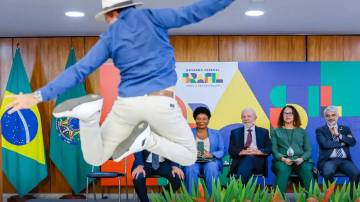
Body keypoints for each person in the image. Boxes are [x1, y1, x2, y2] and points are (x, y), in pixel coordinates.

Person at [5, 0, 236, 166]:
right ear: (131, 5)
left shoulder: (110, 37)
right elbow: (196, 11)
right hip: (160, 103)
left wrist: (36, 96)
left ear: (110, 14)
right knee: (188, 155)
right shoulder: (153, 18)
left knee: (94, 158)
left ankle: (88, 116)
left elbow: (79, 70)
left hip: (126, 105)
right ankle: (149, 140)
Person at [271, 105, 314, 195]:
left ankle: (312, 198)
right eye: (285, 113)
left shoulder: (302, 131)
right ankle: (278, 199)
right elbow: (274, 151)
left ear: (295, 116)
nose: (288, 115)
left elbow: (308, 150)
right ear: (282, 116)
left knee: (306, 169)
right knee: (283, 169)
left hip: (300, 159)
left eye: (290, 113)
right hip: (283, 160)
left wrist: (302, 159)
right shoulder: (276, 131)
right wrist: (283, 159)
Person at [183, 107, 224, 195]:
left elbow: (221, 150)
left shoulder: (216, 134)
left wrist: (211, 154)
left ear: (208, 120)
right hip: (193, 161)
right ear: (195, 119)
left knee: (211, 167)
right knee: (190, 168)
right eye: (198, 119)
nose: (201, 121)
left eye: (204, 119)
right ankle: (191, 198)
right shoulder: (188, 133)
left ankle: (213, 198)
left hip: (211, 160)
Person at [316, 106, 359, 186]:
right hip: (328, 160)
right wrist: (342, 143)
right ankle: (331, 197)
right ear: (325, 117)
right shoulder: (320, 130)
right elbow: (325, 144)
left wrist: (338, 135)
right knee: (327, 173)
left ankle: (351, 198)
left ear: (337, 116)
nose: (330, 117)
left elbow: (352, 142)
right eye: (327, 116)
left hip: (345, 160)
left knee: (356, 173)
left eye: (333, 115)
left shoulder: (345, 129)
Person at [228, 107, 271, 184]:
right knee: (247, 159)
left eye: (249, 116)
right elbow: (231, 150)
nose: (246, 119)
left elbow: (269, 149)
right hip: (239, 161)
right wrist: (242, 152)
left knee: (249, 158)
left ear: (255, 118)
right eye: (244, 117)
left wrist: (258, 152)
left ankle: (239, 188)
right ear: (241, 119)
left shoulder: (264, 132)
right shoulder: (235, 132)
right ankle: (242, 190)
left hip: (258, 162)